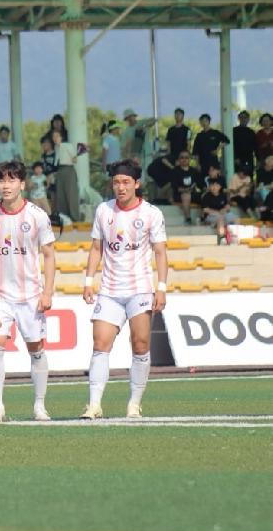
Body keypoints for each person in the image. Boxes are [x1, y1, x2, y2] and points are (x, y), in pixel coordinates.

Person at [81, 160, 168, 420]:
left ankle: (134, 403)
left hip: (140, 289)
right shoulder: (103, 211)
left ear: (136, 184)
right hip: (109, 289)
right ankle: (94, 404)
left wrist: (161, 288)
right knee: (100, 343)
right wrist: (88, 281)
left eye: (126, 182)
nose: (121, 187)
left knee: (140, 345)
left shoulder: (151, 213)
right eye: (117, 182)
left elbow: (161, 252)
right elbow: (96, 248)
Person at [0, 161, 56, 422]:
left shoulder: (36, 215)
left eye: (11, 180)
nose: (5, 186)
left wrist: (48, 292)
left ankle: (39, 406)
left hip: (31, 295)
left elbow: (50, 255)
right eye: (1, 181)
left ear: (22, 184)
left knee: (36, 349)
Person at [52, 129, 80, 222]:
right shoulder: (56, 148)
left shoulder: (67, 145)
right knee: (60, 194)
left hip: (69, 170)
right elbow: (56, 162)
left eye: (57, 136)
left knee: (71, 194)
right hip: (60, 171)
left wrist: (75, 156)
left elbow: (75, 159)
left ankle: (75, 218)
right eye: (54, 137)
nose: (55, 138)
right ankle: (64, 217)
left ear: (61, 137)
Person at [169, 151, 203, 225]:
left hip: (192, 193)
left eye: (186, 157)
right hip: (179, 195)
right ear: (179, 159)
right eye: (182, 157)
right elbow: (174, 186)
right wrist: (185, 190)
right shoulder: (174, 171)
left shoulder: (194, 171)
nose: (184, 159)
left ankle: (203, 217)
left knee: (204, 195)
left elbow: (201, 185)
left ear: (189, 159)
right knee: (186, 195)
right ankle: (188, 219)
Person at [199, 178, 236, 245]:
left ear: (219, 186)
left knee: (234, 217)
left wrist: (225, 209)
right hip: (210, 216)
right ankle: (222, 239)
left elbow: (228, 206)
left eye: (216, 185)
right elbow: (205, 210)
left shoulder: (223, 195)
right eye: (212, 185)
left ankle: (235, 238)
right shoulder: (206, 196)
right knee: (220, 219)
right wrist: (217, 212)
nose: (213, 187)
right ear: (209, 187)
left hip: (222, 214)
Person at [233, 110, 257, 175]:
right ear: (238, 119)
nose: (243, 119)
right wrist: (235, 157)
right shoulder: (233, 131)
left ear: (248, 119)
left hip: (249, 160)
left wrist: (258, 160)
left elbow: (255, 148)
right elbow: (231, 146)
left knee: (249, 179)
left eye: (245, 117)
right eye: (241, 117)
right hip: (237, 160)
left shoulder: (251, 132)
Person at [256, 155, 273, 220]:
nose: (271, 167)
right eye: (271, 165)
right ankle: (267, 207)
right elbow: (260, 186)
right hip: (263, 190)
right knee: (264, 191)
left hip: (269, 190)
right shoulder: (260, 171)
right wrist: (267, 187)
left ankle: (266, 207)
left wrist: (268, 186)